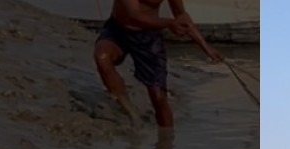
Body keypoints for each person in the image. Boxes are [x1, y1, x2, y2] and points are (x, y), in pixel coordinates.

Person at [93, 0, 224, 128]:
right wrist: (168, 23)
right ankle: (131, 113)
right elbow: (133, 15)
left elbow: (181, 15)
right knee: (102, 57)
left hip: (148, 37)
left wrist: (206, 47)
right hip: (118, 29)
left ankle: (167, 143)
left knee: (159, 98)